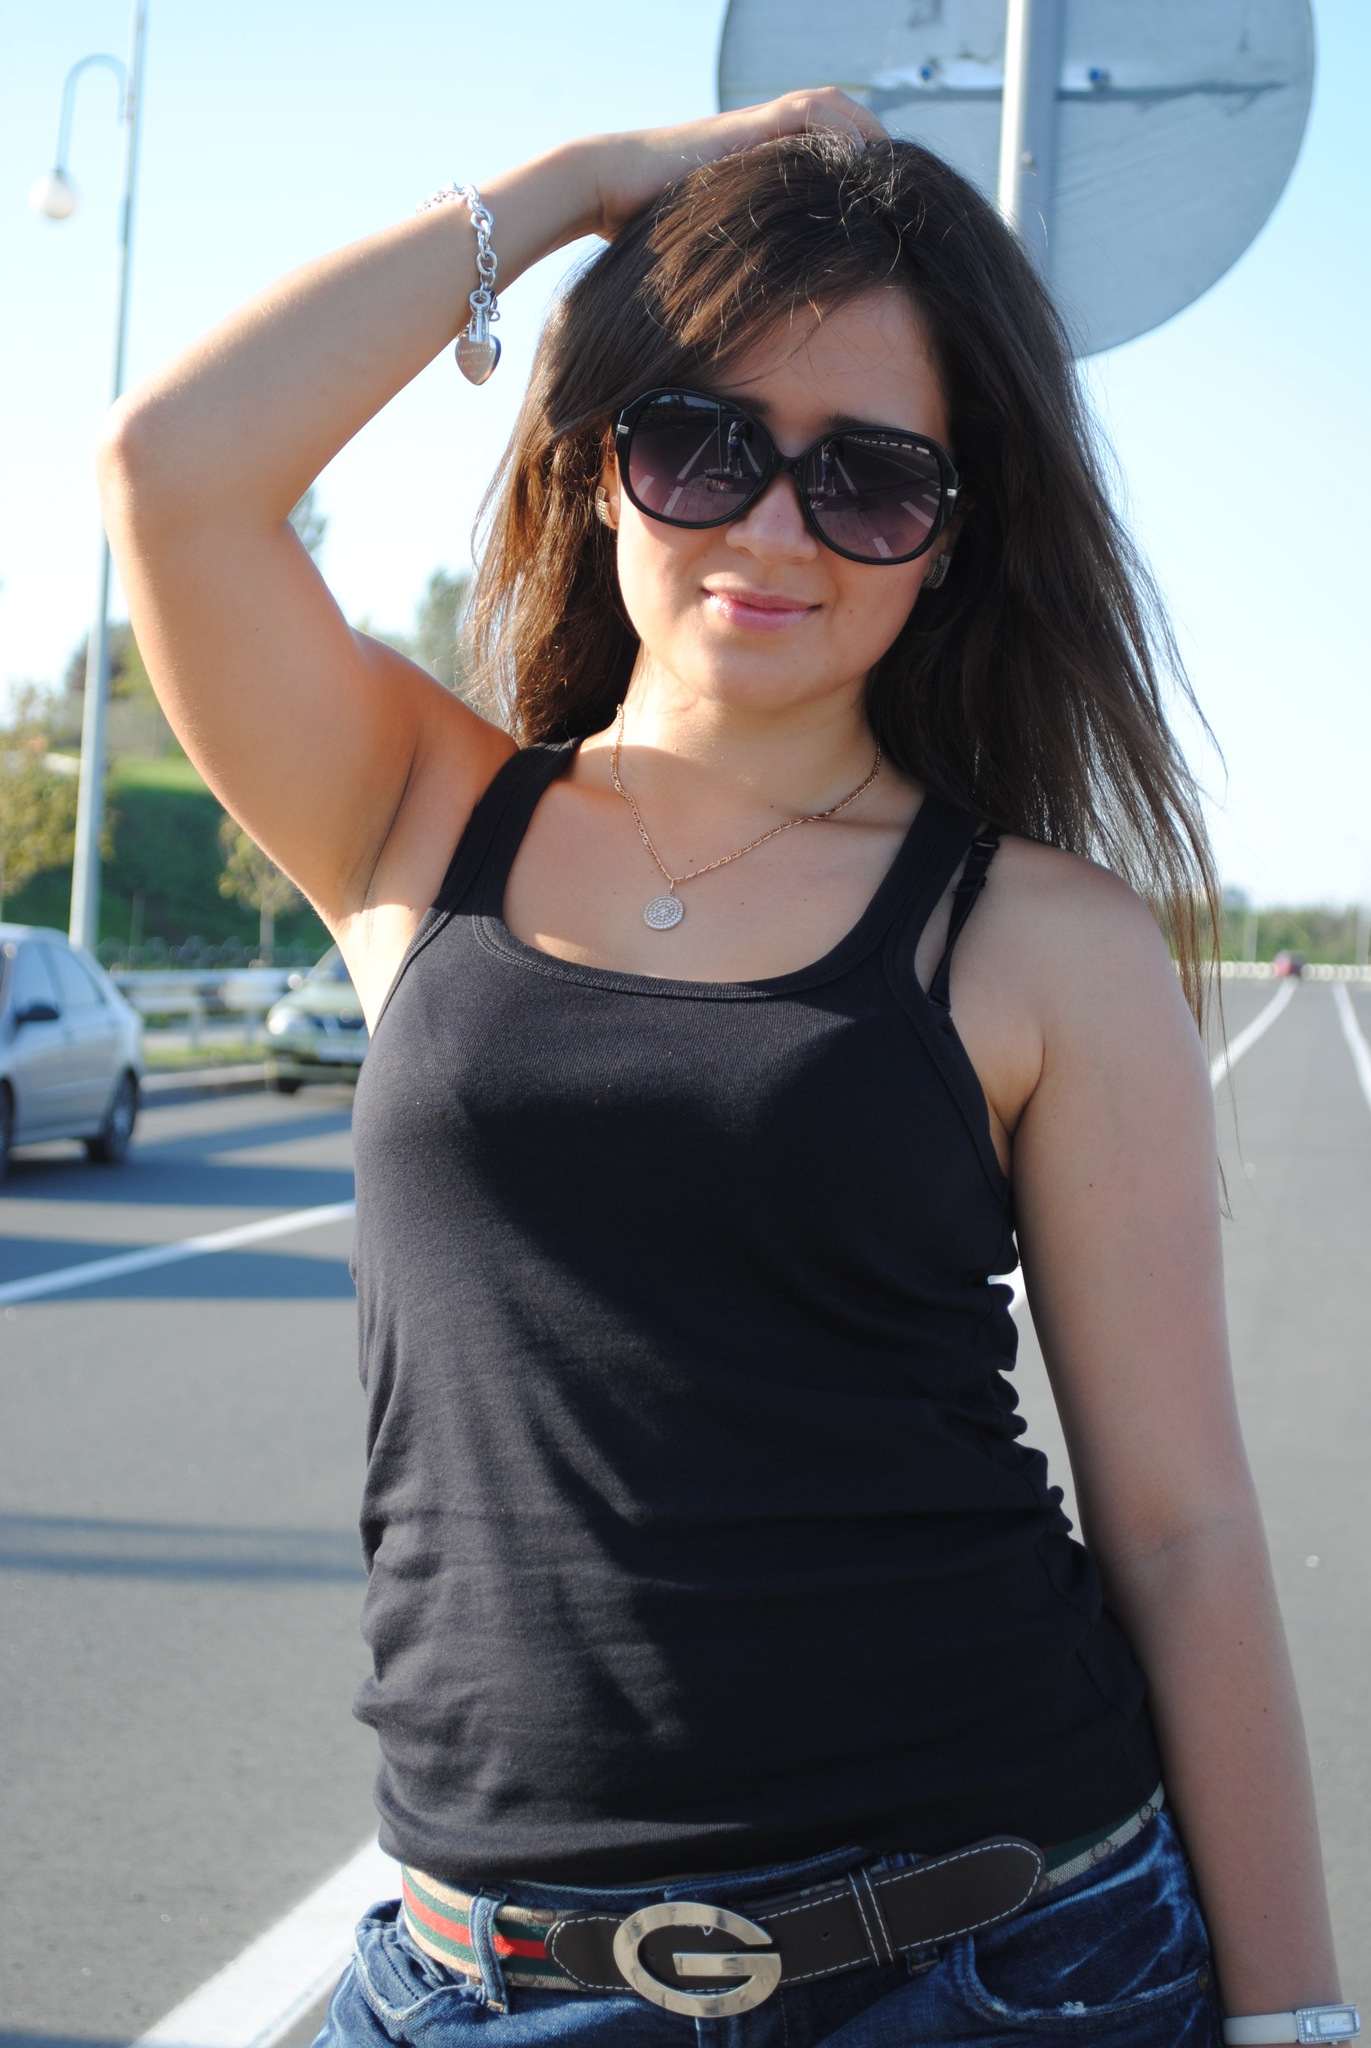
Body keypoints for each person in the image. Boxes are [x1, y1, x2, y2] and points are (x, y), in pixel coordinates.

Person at [99, 91, 1354, 2048]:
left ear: (948, 540)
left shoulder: (1045, 940)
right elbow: (171, 471)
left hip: (993, 1966)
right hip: (479, 1983)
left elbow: (1182, 1531)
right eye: (699, 442)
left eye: (869, 481)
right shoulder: (419, 817)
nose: (772, 528)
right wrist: (587, 188)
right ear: (601, 469)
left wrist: (1292, 2020)